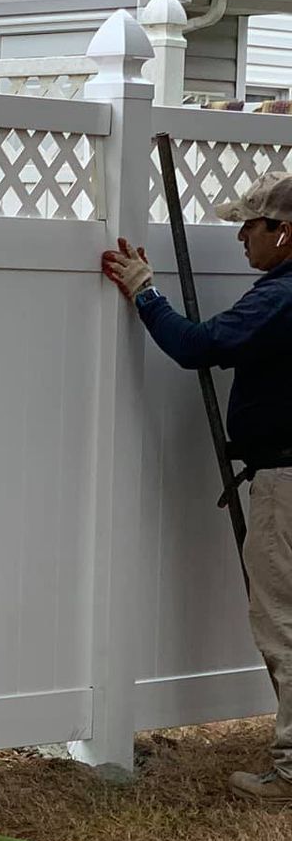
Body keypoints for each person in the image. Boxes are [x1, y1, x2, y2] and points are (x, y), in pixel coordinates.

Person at [104, 172, 292, 803]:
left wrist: (146, 295)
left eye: (252, 225)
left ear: (284, 233)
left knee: (283, 621)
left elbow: (201, 345)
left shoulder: (280, 297)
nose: (241, 236)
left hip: (286, 480)